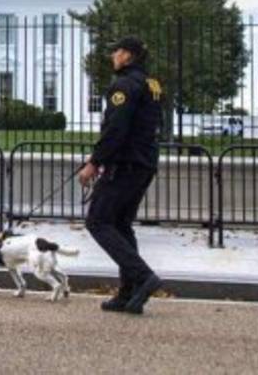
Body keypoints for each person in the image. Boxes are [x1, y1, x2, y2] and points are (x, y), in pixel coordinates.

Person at [78, 36, 164, 314]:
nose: (112, 55)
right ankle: (128, 292)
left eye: (116, 51)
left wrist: (94, 162)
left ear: (128, 56)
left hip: (125, 165)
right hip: (145, 163)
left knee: (98, 221)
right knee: (121, 224)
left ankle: (142, 276)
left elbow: (116, 129)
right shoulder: (152, 84)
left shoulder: (124, 85)